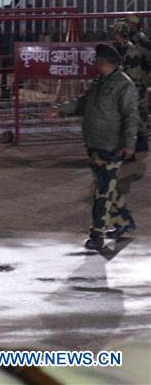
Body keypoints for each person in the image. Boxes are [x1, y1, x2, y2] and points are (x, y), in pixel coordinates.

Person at [46, 44, 139, 251]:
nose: (95, 62)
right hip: (95, 144)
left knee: (102, 192)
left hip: (111, 146)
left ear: (106, 62)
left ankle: (97, 235)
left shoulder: (124, 85)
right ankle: (125, 222)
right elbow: (83, 102)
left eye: (98, 60)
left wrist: (129, 144)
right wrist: (60, 110)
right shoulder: (99, 82)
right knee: (106, 187)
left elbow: (131, 117)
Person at [111, 21, 149, 153]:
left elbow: (132, 73)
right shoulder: (118, 48)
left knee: (136, 114)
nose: (113, 35)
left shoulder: (130, 50)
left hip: (133, 85)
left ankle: (139, 142)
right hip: (126, 85)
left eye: (115, 32)